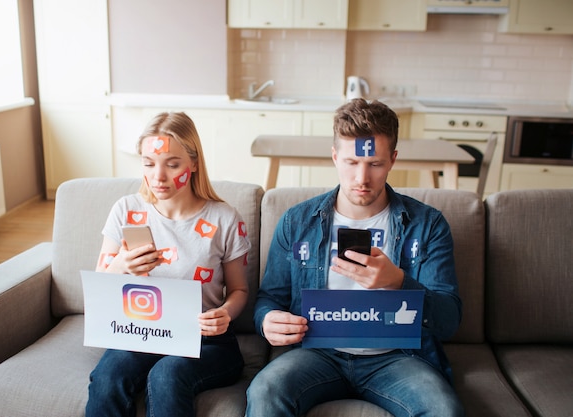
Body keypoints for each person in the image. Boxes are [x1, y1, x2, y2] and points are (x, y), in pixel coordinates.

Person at [246, 99, 464, 417]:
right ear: (335, 157)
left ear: (392, 160)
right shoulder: (297, 221)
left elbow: (449, 320)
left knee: (444, 409)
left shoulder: (427, 224)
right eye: (351, 162)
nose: (362, 178)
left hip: (396, 356)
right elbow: (269, 298)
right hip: (317, 353)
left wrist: (399, 283)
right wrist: (267, 321)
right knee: (264, 391)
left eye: (374, 164)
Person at [86, 112, 250, 417]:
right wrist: (121, 265)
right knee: (108, 377)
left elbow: (240, 288)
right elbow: (100, 286)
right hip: (141, 332)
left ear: (194, 164)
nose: (158, 176)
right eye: (148, 164)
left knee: (166, 375)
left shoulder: (224, 218)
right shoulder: (126, 210)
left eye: (172, 165)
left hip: (206, 340)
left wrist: (225, 314)